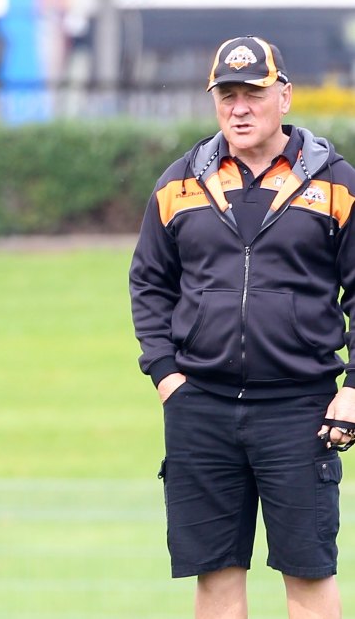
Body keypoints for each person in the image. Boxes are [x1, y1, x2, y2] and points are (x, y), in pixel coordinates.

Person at [129, 35, 355, 618]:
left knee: (309, 575)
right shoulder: (179, 182)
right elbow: (149, 284)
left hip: (300, 409)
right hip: (199, 406)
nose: (239, 108)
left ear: (284, 96)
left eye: (253, 93)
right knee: (216, 577)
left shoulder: (336, 181)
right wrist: (165, 376)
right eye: (226, 95)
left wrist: (352, 389)